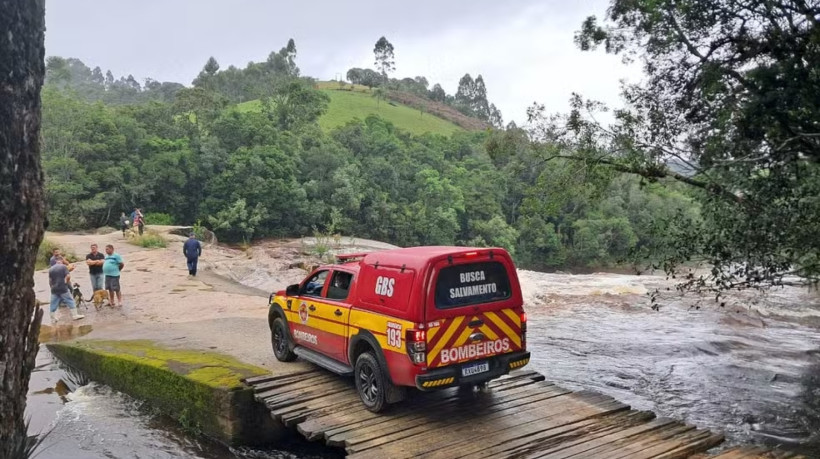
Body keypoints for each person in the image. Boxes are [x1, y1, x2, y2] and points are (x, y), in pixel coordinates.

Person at [48, 256, 85, 323]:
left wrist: (52, 287)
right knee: (70, 300)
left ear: (56, 261)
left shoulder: (51, 269)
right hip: (63, 288)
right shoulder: (63, 267)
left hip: (54, 289)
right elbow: (68, 276)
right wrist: (65, 282)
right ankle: (75, 315)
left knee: (53, 302)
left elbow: (50, 280)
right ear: (61, 261)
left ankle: (53, 318)